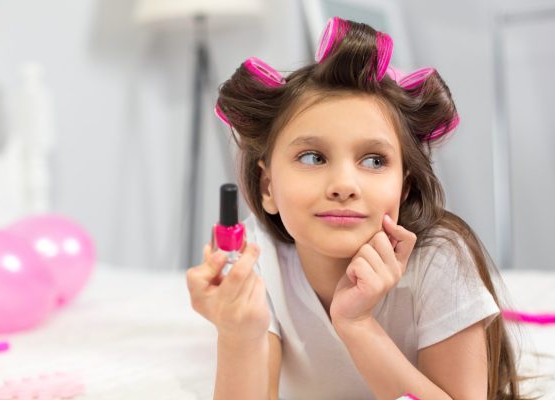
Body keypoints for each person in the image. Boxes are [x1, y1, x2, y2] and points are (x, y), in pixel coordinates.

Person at [186, 16, 524, 400]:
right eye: (313, 158)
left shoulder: (439, 260)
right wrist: (238, 335)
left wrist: (357, 323)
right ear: (268, 187)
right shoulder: (256, 259)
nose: (344, 186)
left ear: (404, 185)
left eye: (374, 161)